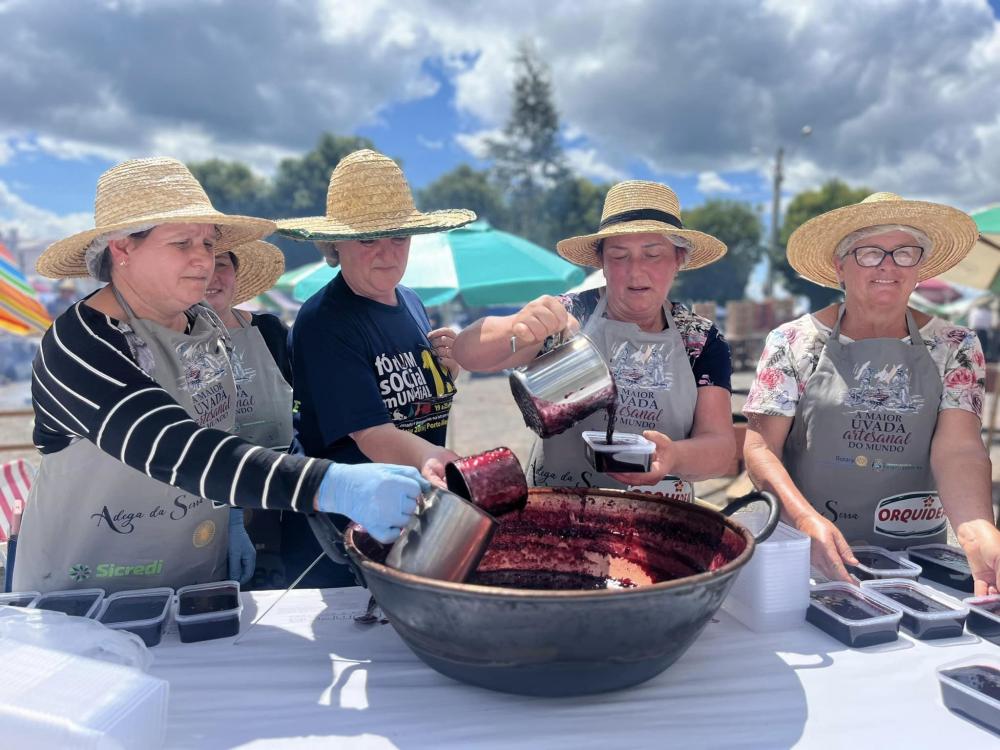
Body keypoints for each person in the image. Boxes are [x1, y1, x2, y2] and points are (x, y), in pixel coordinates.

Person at [14, 157, 427, 594]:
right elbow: (173, 447)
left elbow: (232, 428)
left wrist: (233, 516)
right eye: (182, 243)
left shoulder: (206, 326)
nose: (203, 260)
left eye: (208, 244)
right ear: (122, 249)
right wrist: (328, 484)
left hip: (196, 578)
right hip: (84, 594)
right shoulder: (79, 344)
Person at [742, 191, 1000, 595]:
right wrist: (804, 519)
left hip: (918, 560)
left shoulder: (956, 345)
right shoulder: (792, 341)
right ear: (839, 265)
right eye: (869, 252)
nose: (888, 265)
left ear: (919, 268)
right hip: (808, 555)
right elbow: (760, 449)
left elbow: (960, 449)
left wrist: (976, 528)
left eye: (904, 253)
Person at [452, 180, 736, 499]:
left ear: (678, 259)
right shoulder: (570, 314)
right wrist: (516, 326)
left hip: (662, 516)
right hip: (559, 513)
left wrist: (675, 456)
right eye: (619, 256)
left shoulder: (699, 339)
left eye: (652, 254)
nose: (635, 271)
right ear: (601, 261)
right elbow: (467, 353)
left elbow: (721, 448)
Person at [275, 149, 476, 587]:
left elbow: (408, 401)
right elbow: (370, 434)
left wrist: (448, 370)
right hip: (343, 538)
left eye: (399, 238)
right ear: (335, 245)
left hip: (409, 518)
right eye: (369, 240)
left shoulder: (412, 302)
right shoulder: (325, 320)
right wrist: (433, 459)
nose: (387, 254)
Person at [204, 241, 291, 588]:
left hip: (280, 504)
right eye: (202, 265)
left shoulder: (270, 332)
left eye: (222, 263)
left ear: (237, 274)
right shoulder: (160, 346)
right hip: (202, 516)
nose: (212, 275)